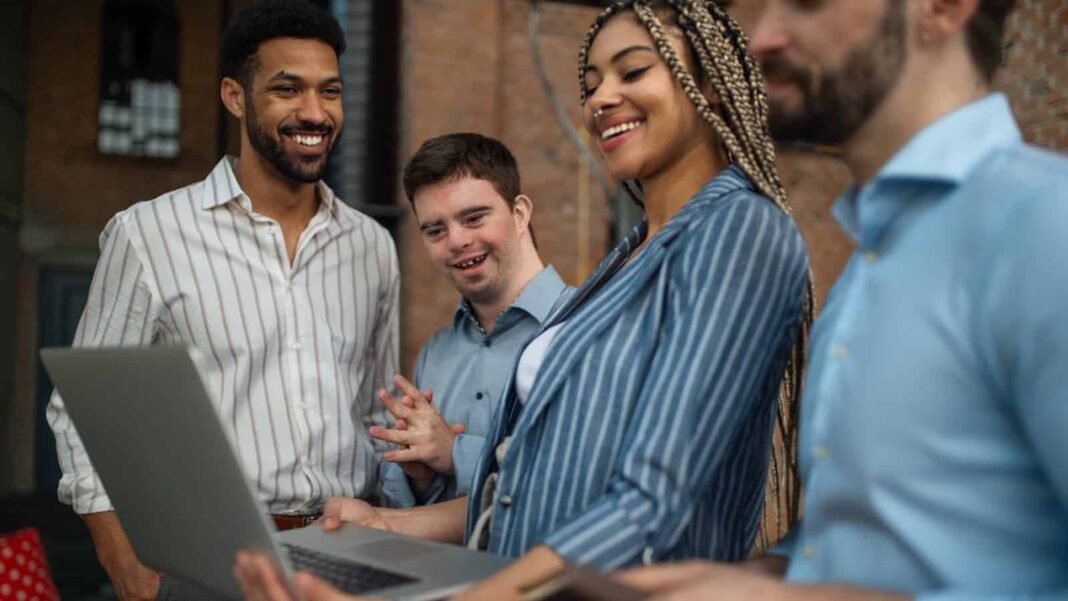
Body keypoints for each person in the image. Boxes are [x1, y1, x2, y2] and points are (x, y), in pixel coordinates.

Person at [235, 0, 813, 599]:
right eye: (590, 86)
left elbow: (653, 500)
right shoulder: (631, 255)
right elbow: (526, 484)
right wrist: (389, 528)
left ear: (711, 87)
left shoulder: (738, 230)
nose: (600, 100)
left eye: (634, 71)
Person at [619, 0, 1068, 599]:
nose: (763, 38)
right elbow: (897, 547)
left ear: (943, 9)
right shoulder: (874, 257)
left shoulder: (1042, 226)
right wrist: (758, 577)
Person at [45, 1, 399, 599]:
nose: (314, 112)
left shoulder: (372, 247)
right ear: (235, 97)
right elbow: (83, 412)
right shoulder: (149, 234)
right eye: (287, 89)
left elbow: (377, 412)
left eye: (329, 91)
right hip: (206, 564)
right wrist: (121, 558)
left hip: (349, 554)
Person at [375, 133, 571, 507]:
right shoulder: (436, 352)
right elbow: (399, 502)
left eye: (474, 218)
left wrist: (456, 454)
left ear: (519, 213)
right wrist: (421, 474)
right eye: (435, 230)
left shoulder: (587, 327)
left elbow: (575, 481)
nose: (457, 241)